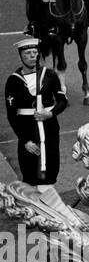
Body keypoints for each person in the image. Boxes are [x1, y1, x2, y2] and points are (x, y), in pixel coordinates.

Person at [5, 35, 68, 190]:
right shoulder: (13, 80)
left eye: (35, 52)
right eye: (28, 53)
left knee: (51, 166)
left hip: (49, 128)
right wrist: (25, 140)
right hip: (28, 129)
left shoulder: (49, 75)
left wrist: (50, 113)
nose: (33, 56)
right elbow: (12, 115)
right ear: (20, 56)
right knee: (29, 168)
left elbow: (62, 101)